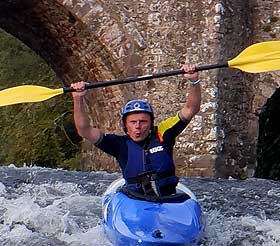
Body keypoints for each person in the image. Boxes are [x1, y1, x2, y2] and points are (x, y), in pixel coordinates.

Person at [71, 64, 201, 198]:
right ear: (125, 125)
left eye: (143, 122)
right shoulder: (118, 144)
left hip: (169, 198)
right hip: (135, 201)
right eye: (133, 122)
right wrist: (78, 98)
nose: (138, 126)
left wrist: (194, 81)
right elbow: (84, 129)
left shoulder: (164, 133)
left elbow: (191, 109)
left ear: (151, 123)